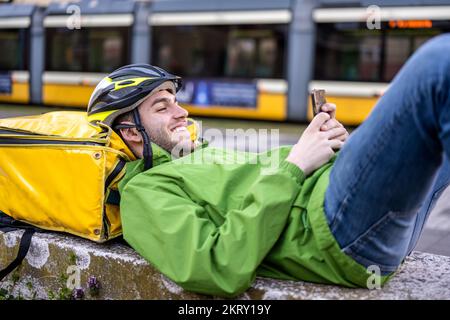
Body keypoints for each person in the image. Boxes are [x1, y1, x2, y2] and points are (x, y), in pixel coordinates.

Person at [87, 34, 450, 297]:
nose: (181, 111)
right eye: (161, 107)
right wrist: (295, 164)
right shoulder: (143, 192)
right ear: (131, 132)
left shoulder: (196, 155)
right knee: (438, 66)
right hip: (332, 229)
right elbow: (215, 267)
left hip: (348, 207)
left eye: (175, 100)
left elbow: (266, 184)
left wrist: (325, 144)